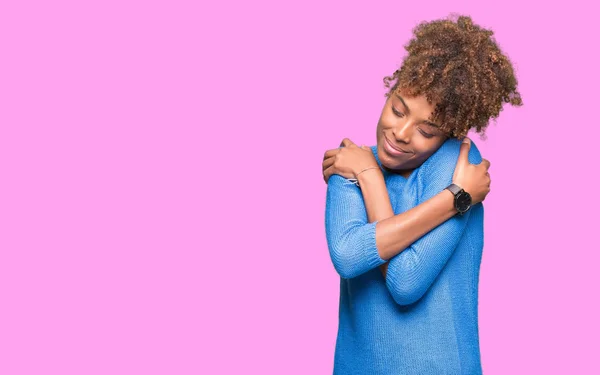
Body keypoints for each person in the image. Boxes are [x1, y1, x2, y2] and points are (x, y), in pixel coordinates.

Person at [321, 14, 522, 374]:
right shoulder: (354, 163)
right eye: (398, 110)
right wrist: (454, 199)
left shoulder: (458, 163)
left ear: (449, 133)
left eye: (427, 131)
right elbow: (348, 255)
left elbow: (405, 281)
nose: (401, 132)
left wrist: (371, 180)